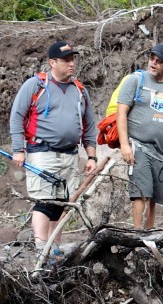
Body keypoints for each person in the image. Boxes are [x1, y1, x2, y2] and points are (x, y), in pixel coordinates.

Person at [9, 40, 98, 264]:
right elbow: (17, 116)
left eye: (73, 59)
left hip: (69, 155)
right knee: (44, 201)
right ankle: (41, 249)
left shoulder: (80, 90)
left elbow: (89, 125)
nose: (71, 64)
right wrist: (18, 149)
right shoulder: (35, 85)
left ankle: (54, 250)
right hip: (42, 151)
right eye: (66, 60)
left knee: (62, 203)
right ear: (52, 62)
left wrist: (92, 155)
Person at [116, 43, 163, 229]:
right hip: (138, 145)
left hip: (162, 151)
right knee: (140, 192)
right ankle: (138, 235)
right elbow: (121, 112)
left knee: (155, 196)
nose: (153, 63)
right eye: (151, 58)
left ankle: (149, 235)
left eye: (159, 61)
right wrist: (124, 144)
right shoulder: (135, 81)